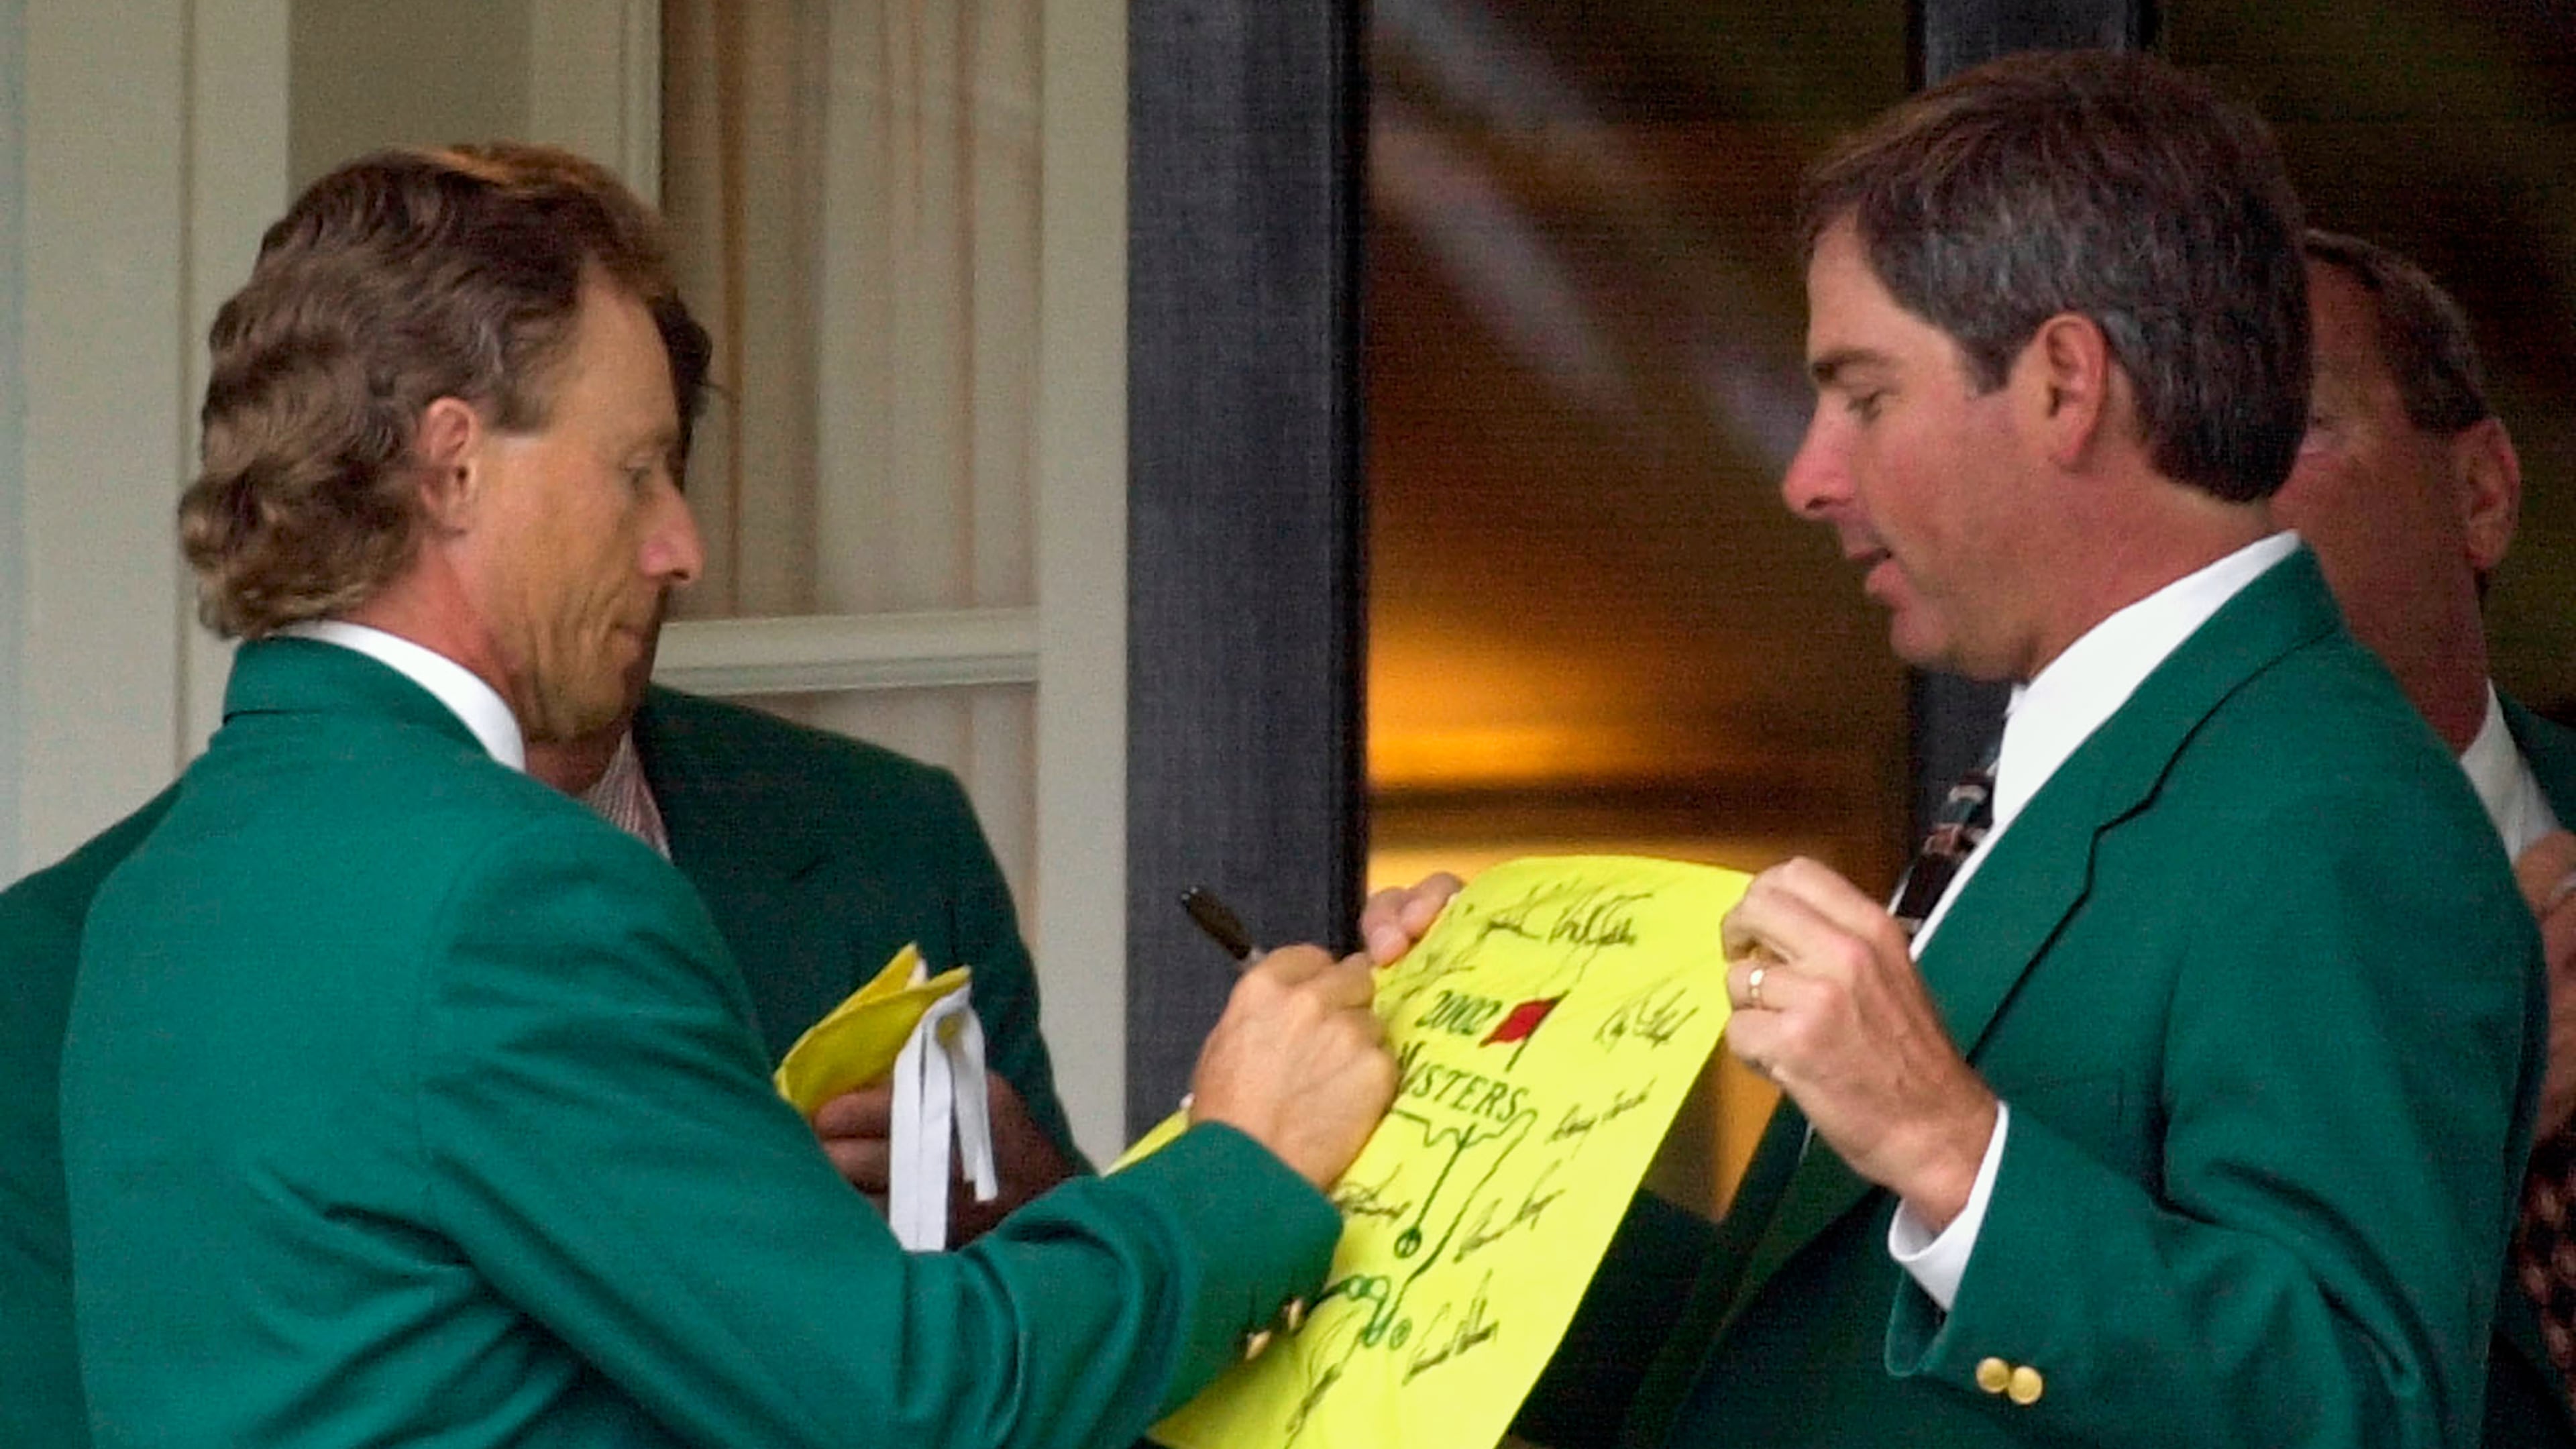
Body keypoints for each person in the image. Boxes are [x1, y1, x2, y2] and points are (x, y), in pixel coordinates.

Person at [52, 142, 1395, 1448]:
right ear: (452, 464)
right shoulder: (509, 889)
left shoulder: (161, 897)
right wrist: (1247, 1156)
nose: (681, 546)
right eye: (636, 470)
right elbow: (922, 1406)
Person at [1382, 50, 2542, 1447]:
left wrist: (1954, 1149)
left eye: (1865, 395)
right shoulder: (2104, 751)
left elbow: (2368, 1409)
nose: (1808, 475)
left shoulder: (2330, 804)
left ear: (2063, 384)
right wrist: (1441, 1143)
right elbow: (1808, 1359)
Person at [2268, 228, 2576, 1446]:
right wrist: (2481, 1121)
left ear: (2481, 494)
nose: (2208, 501)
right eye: (2166, 450)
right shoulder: (2037, 947)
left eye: (2279, 428)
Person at [525, 654, 1085, 1236]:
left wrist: (1029, 1205)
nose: (684, 562)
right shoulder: (434, 857)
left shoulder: (896, 831)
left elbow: (1079, 1286)